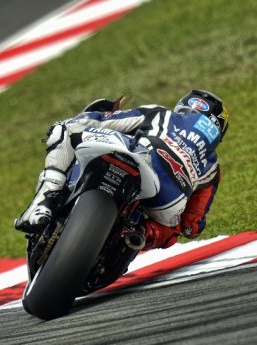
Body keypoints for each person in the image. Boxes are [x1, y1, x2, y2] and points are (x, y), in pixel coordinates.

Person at [14, 89, 230, 250]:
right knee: (172, 231)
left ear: (183, 107)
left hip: (144, 159)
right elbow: (191, 225)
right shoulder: (213, 166)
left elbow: (103, 123)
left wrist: (91, 117)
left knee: (64, 128)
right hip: (169, 202)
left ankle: (45, 200)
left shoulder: (162, 115)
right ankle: (139, 235)